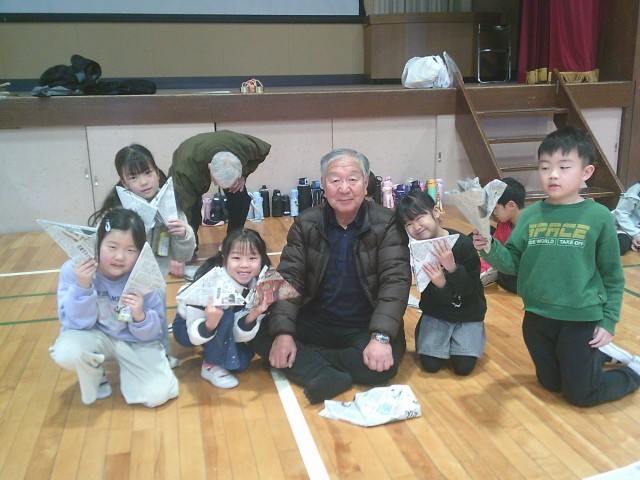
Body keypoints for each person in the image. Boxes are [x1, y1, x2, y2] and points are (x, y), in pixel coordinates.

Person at [473, 126, 640, 407]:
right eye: (545, 167)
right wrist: (488, 246)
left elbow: (612, 275)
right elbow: (513, 263)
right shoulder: (530, 216)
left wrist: (608, 321)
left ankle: (631, 372)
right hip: (537, 317)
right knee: (550, 384)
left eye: (564, 167)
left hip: (581, 319)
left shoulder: (598, 216)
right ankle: (594, 358)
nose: (552, 174)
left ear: (586, 172)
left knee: (581, 395)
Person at [249, 148, 412, 404]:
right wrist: (283, 333)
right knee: (256, 331)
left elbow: (396, 282)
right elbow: (289, 277)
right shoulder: (306, 223)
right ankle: (326, 371)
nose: (344, 188)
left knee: (382, 367)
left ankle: (310, 364)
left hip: (364, 325)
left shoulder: (387, 223)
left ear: (365, 184)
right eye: (335, 180)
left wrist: (380, 337)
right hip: (316, 320)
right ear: (324, 186)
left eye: (352, 179)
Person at [49, 208, 179, 407]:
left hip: (134, 342)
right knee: (67, 350)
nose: (119, 256)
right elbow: (73, 324)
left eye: (130, 250)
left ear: (140, 252)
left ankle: (132, 370)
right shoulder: (75, 270)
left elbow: (153, 334)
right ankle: (96, 372)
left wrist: (140, 316)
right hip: (95, 336)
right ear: (98, 243)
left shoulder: (144, 275)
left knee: (157, 395)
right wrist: (82, 287)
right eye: (112, 247)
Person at [89, 144, 196, 367]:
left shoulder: (171, 207)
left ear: (157, 172)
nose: (144, 182)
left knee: (155, 306)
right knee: (118, 317)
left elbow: (183, 255)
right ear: (123, 181)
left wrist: (184, 234)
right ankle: (109, 357)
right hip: (119, 278)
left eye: (148, 173)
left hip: (153, 278)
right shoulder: (116, 212)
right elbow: (103, 249)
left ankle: (160, 354)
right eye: (134, 177)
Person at [396, 189, 486, 375]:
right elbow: (430, 298)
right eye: (408, 224)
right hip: (437, 313)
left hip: (468, 313)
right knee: (430, 365)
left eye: (419, 217)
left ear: (435, 212)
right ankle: (427, 332)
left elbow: (471, 289)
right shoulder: (417, 251)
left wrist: (452, 268)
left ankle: (464, 337)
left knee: (463, 367)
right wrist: (441, 284)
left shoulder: (462, 243)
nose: (416, 226)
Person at [172, 229, 276, 388]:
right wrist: (210, 324)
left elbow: (237, 334)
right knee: (224, 314)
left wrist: (254, 314)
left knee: (241, 362)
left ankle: (212, 347)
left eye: (252, 258)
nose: (245, 264)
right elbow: (193, 335)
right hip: (190, 328)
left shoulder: (259, 285)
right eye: (236, 258)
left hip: (222, 325)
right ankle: (210, 365)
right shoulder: (211, 282)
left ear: (262, 259)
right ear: (224, 258)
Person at [168, 130, 271, 259]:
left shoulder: (245, 147)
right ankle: (191, 247)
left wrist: (243, 175)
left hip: (227, 157)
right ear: (210, 167)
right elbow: (182, 211)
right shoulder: (185, 172)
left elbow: (264, 151)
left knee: (241, 199)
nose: (218, 187)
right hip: (190, 161)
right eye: (217, 182)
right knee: (191, 209)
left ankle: (232, 240)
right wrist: (181, 246)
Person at [479, 177, 525, 292]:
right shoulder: (503, 224)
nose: (494, 213)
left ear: (511, 206)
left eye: (496, 208)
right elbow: (495, 250)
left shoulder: (529, 227)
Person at [612, 180, 640, 255]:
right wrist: (636, 235)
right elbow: (621, 213)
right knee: (620, 247)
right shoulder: (636, 190)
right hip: (623, 228)